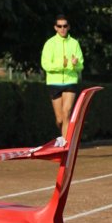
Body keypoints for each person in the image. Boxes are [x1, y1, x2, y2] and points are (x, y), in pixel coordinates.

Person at [40, 13, 84, 144]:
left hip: (70, 81)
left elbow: (81, 65)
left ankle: (65, 145)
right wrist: (62, 65)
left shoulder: (74, 43)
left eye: (65, 26)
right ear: (55, 27)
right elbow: (45, 65)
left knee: (67, 112)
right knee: (60, 119)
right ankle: (63, 135)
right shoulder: (50, 43)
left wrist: (75, 64)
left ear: (69, 27)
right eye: (60, 26)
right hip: (54, 83)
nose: (62, 29)